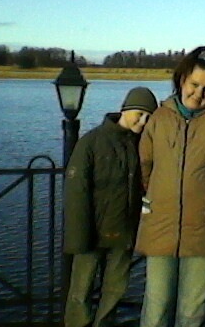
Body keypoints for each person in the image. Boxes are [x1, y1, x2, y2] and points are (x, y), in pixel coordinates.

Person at [135, 45, 205, 327]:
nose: (198, 93)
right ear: (182, 79)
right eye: (194, 85)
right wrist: (157, 199)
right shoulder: (159, 118)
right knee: (156, 304)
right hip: (160, 225)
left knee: (193, 308)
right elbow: (145, 167)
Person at [63, 86, 159, 327]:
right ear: (125, 109)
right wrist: (78, 237)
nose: (143, 121)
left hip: (124, 231)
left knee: (115, 291)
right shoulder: (92, 142)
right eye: (139, 114)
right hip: (92, 231)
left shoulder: (143, 145)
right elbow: (77, 192)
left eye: (149, 117)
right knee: (80, 291)